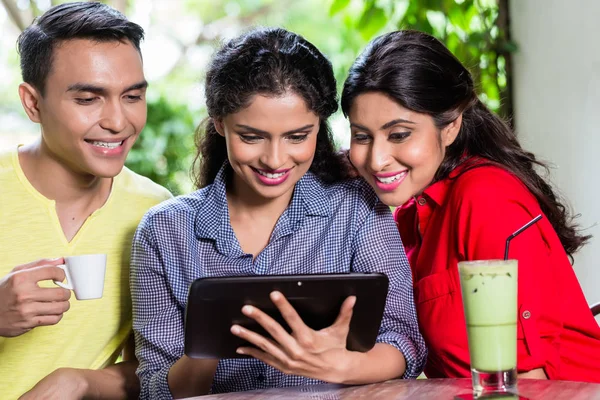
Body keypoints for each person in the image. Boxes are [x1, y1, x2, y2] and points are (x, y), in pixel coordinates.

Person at [130, 27, 427, 399]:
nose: (274, 160)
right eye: (252, 137)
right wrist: (207, 341)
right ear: (220, 122)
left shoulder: (356, 208)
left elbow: (405, 343)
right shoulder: (164, 232)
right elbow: (154, 390)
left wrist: (339, 364)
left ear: (320, 125)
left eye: (297, 136)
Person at [341, 30, 600, 382]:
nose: (376, 159)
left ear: (450, 127)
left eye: (399, 134)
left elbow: (529, 381)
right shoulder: (408, 216)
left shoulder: (485, 196)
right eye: (362, 136)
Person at [0, 2, 172, 399]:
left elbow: (160, 367)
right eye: (88, 99)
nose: (117, 121)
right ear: (32, 103)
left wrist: (74, 380)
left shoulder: (156, 211)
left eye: (131, 96)